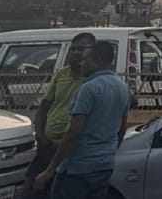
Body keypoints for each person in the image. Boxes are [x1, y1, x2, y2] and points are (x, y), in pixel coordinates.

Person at [34, 41, 131, 199]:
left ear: (97, 60)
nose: (81, 63)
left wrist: (50, 169)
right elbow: (122, 127)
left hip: (78, 168)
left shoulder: (89, 88)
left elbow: (73, 132)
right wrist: (109, 153)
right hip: (104, 166)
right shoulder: (123, 87)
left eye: (85, 59)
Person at [25, 32, 95, 199]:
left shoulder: (95, 79)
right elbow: (44, 107)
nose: (75, 53)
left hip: (72, 150)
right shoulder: (61, 74)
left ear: (92, 52)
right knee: (30, 190)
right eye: (73, 49)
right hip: (47, 146)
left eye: (81, 49)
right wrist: (40, 137)